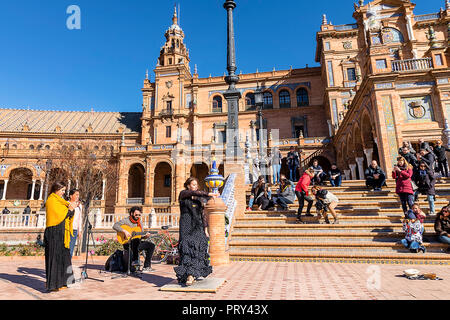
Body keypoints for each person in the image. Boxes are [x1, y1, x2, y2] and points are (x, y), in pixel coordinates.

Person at [174, 177, 217, 286]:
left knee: (198, 248)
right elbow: (196, 193)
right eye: (193, 184)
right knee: (187, 249)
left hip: (198, 226)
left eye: (196, 185)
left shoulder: (198, 200)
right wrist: (209, 194)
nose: (195, 187)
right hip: (186, 224)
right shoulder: (183, 194)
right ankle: (188, 275)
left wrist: (206, 229)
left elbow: (202, 215)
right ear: (188, 185)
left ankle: (192, 274)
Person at [44, 181, 77, 292]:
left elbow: (67, 215)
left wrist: (71, 210)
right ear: (56, 189)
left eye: (64, 190)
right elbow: (59, 216)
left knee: (63, 257)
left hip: (62, 233)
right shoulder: (51, 200)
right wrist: (70, 209)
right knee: (54, 258)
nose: (63, 192)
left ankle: (63, 282)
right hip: (54, 232)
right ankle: (53, 285)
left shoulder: (62, 202)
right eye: (62, 190)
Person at [113, 206, 155, 273]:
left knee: (151, 245)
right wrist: (124, 231)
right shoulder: (126, 220)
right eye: (136, 215)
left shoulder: (140, 223)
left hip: (137, 242)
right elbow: (115, 226)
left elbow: (139, 236)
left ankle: (146, 266)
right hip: (127, 243)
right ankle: (135, 260)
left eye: (139, 215)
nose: (138, 216)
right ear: (132, 213)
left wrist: (145, 237)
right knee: (135, 241)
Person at [68, 189, 83, 257]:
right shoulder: (67, 204)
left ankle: (68, 266)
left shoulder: (80, 206)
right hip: (67, 229)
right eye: (76, 195)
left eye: (78, 195)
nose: (78, 196)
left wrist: (79, 230)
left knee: (71, 249)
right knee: (66, 248)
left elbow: (80, 219)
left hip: (74, 229)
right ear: (71, 196)